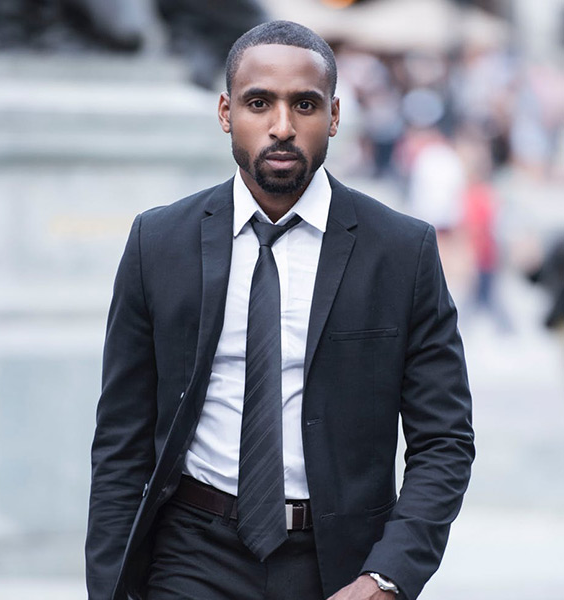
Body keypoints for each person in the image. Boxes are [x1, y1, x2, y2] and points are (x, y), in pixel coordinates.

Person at [86, 21, 475, 600]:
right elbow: (121, 439)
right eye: (259, 103)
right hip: (191, 554)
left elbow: (444, 440)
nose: (283, 126)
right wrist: (108, 588)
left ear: (335, 116)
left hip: (340, 564)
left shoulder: (402, 250)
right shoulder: (158, 242)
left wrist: (387, 577)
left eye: (306, 104)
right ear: (226, 112)